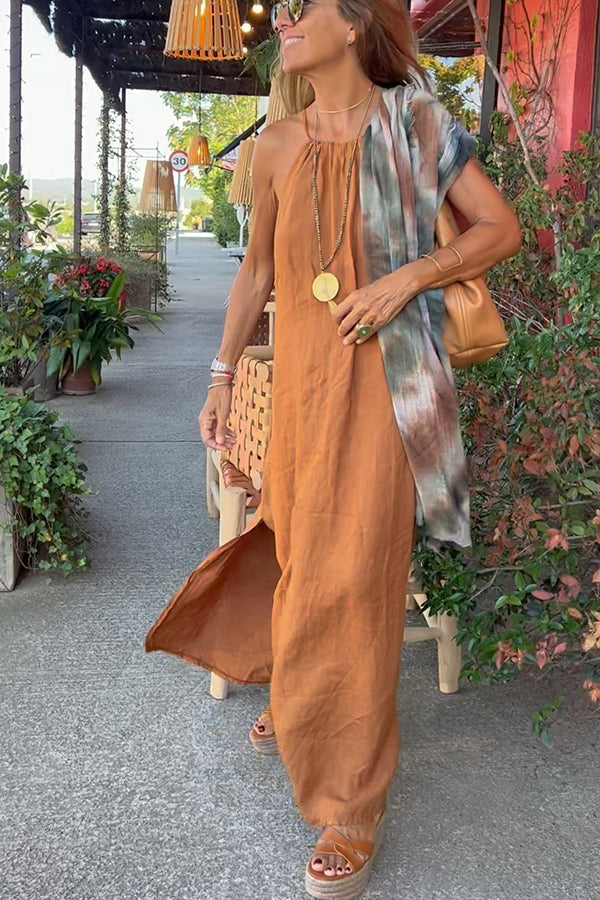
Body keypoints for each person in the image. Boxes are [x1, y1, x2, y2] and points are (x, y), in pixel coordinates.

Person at [145, 0, 521, 896]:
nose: (281, 21)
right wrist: (220, 377)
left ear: (353, 24)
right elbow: (258, 272)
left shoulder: (419, 127)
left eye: (298, 8)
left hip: (390, 392)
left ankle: (353, 801)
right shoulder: (276, 145)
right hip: (304, 390)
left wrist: (407, 279)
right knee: (300, 551)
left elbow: (498, 230)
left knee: (358, 575)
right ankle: (297, 692)